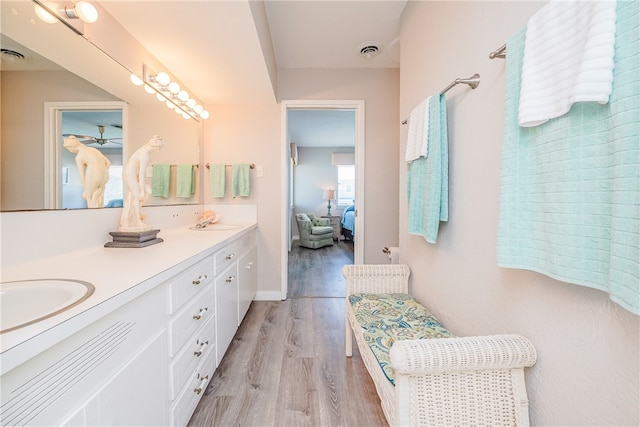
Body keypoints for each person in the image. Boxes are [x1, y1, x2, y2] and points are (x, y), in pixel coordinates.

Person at [119, 135, 164, 231]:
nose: (159, 149)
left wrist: (144, 189)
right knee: (137, 195)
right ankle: (137, 220)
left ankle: (137, 212)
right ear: (155, 146)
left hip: (133, 172)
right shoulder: (145, 154)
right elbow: (142, 174)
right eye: (159, 147)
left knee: (148, 191)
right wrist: (142, 190)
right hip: (130, 172)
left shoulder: (144, 149)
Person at [63, 136, 111, 208]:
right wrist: (101, 171)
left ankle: (94, 217)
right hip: (105, 173)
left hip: (93, 172)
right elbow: (108, 163)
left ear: (71, 148)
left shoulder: (79, 157)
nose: (70, 151)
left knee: (89, 197)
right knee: (99, 196)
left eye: (69, 149)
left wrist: (85, 190)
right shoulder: (93, 149)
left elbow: (82, 176)